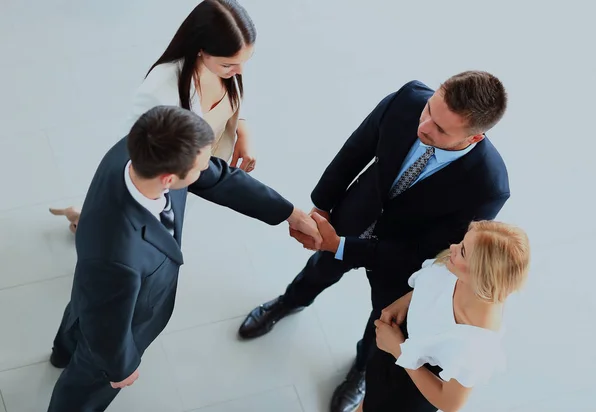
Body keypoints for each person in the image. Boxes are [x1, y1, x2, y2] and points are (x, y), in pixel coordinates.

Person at [238, 71, 511, 412]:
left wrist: (340, 245)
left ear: (473, 138)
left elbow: (427, 251)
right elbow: (355, 150)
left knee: (385, 320)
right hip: (355, 215)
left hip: (402, 261)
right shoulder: (408, 99)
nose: (423, 126)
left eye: (441, 129)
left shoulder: (487, 186)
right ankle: (288, 302)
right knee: (319, 269)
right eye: (429, 110)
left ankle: (361, 370)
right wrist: (321, 207)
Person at [46, 105, 320, 412]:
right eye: (199, 167)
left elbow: (218, 177)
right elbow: (106, 325)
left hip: (95, 289)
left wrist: (289, 213)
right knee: (88, 381)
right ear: (168, 179)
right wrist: (120, 367)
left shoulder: (140, 149)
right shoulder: (117, 256)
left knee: (83, 309)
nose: (205, 169)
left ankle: (61, 351)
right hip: (119, 311)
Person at [50, 0, 258, 233]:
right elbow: (134, 149)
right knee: (137, 230)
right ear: (201, 49)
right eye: (230, 64)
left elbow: (233, 100)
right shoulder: (160, 91)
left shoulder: (226, 70)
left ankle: (85, 216)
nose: (240, 71)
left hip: (198, 168)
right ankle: (85, 219)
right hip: (169, 174)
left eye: (244, 62)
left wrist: (242, 130)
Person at [359, 220, 530, 412]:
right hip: (389, 354)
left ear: (483, 275)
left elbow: (450, 404)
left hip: (405, 390)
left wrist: (399, 350)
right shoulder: (460, 272)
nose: (453, 247)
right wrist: (406, 301)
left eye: (463, 251)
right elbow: (437, 286)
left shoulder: (475, 346)